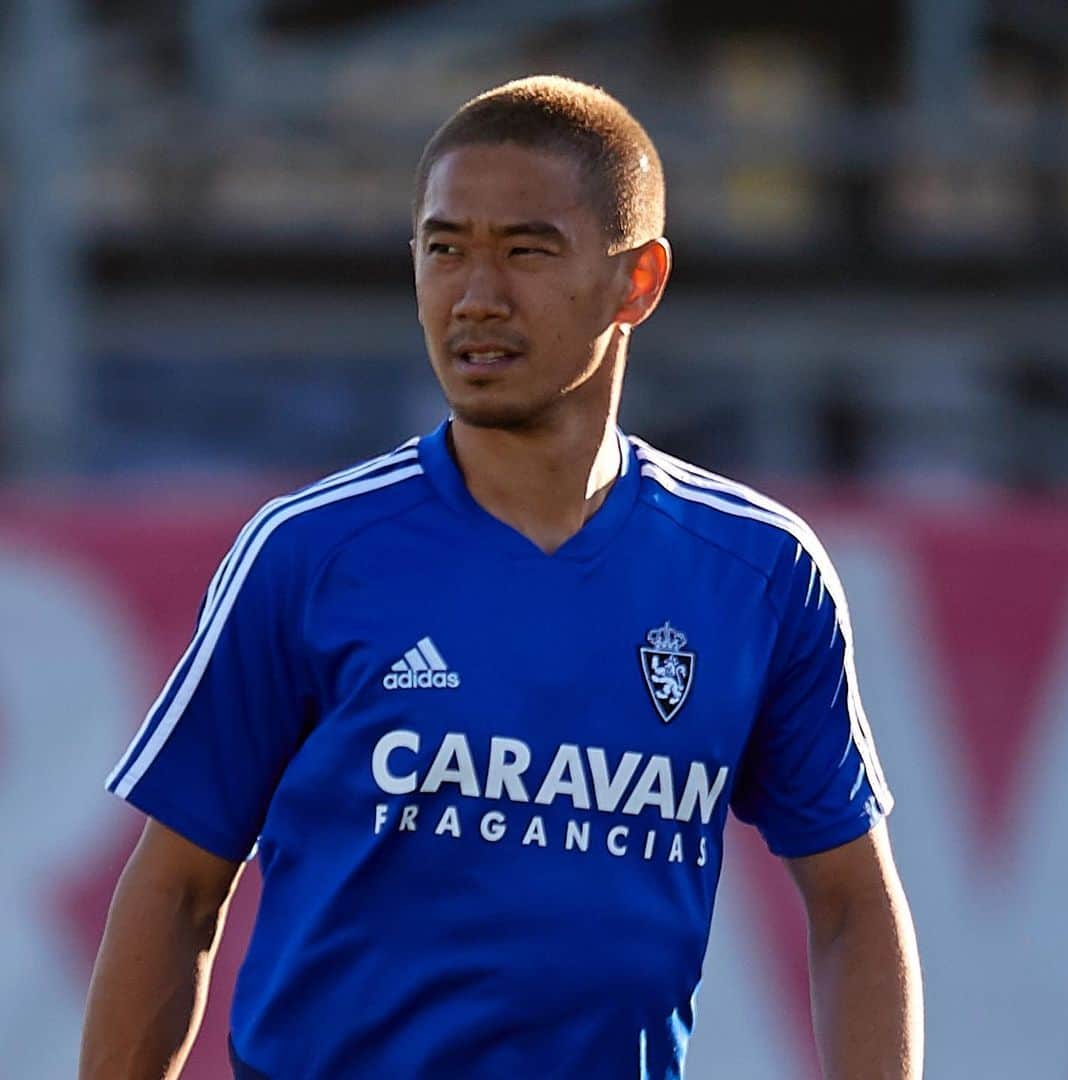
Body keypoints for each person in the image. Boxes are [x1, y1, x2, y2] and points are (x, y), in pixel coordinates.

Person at [80, 75, 923, 1080]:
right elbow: (175, 890)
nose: (475, 296)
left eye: (526, 250)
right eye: (445, 249)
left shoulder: (758, 571)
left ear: (638, 282)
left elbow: (850, 903)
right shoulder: (309, 554)